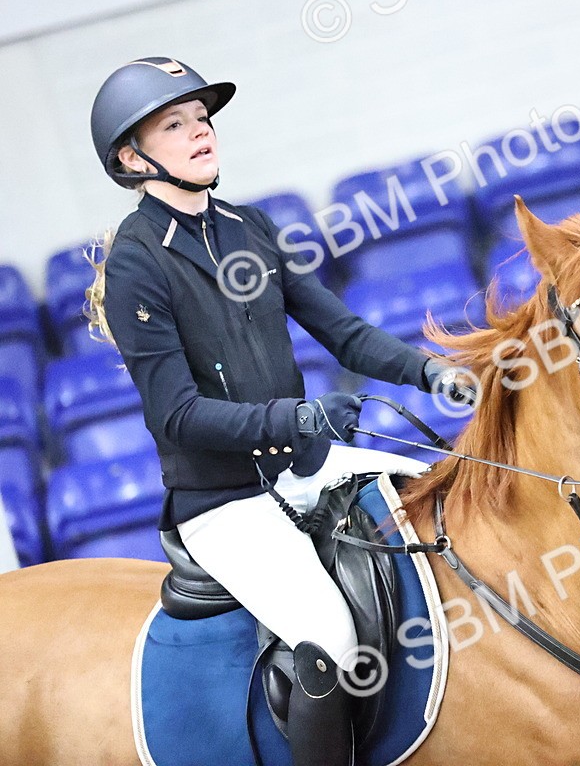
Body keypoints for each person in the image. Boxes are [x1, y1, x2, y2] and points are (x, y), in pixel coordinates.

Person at [86, 56, 472, 766]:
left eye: (202, 119)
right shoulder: (140, 262)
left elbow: (343, 332)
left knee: (449, 497)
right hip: (225, 504)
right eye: (176, 125)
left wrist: (430, 371)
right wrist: (290, 420)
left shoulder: (249, 227)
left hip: (306, 468)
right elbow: (176, 416)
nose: (201, 133)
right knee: (330, 638)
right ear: (132, 157)